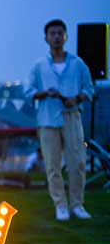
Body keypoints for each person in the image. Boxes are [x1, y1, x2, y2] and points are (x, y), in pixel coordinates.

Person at [26, 19, 94, 221]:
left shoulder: (77, 64)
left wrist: (77, 98)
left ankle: (77, 204)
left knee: (77, 162)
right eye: (52, 34)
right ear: (46, 38)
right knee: (52, 165)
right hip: (47, 119)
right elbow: (28, 92)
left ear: (65, 36)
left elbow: (89, 88)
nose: (56, 37)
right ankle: (60, 205)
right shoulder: (38, 66)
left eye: (59, 33)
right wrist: (44, 93)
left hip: (72, 117)